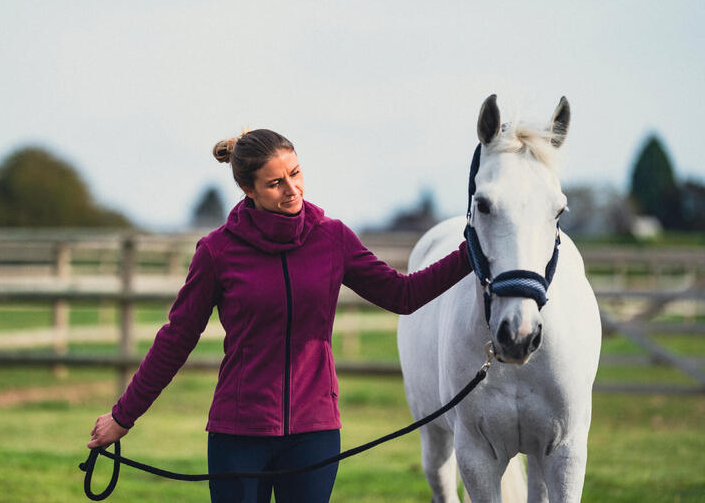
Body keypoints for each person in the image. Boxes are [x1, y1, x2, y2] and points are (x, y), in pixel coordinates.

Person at [87, 129, 472, 503]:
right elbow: (176, 338)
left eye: (296, 173)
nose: (292, 189)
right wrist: (124, 416)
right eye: (275, 183)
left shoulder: (333, 238)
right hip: (239, 434)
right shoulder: (217, 251)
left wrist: (472, 254)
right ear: (248, 190)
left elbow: (402, 294)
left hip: (315, 433)